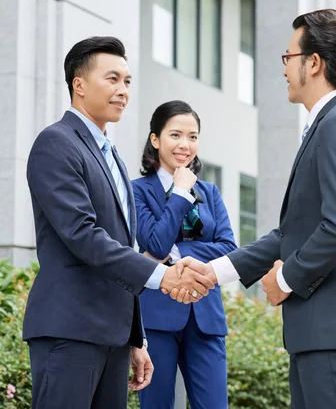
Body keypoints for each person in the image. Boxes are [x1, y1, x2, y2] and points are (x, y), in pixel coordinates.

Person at [174, 10, 336, 409]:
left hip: (332, 330)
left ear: (313, 62)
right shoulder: (329, 123)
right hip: (320, 332)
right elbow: (291, 234)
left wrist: (286, 278)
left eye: (287, 57)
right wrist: (215, 271)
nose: (284, 69)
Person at [23, 37, 213, 409]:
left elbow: (122, 249)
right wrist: (164, 276)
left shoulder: (111, 156)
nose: (123, 90)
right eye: (112, 79)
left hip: (112, 337)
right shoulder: (56, 143)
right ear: (79, 85)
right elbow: (83, 235)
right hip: (70, 332)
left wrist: (134, 338)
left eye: (127, 81)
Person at [132, 100, 237, 409]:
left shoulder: (210, 192)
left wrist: (178, 255)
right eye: (176, 135)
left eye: (193, 136)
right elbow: (154, 243)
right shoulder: (137, 190)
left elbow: (229, 249)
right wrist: (179, 193)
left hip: (206, 315)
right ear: (155, 139)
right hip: (156, 316)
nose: (185, 144)